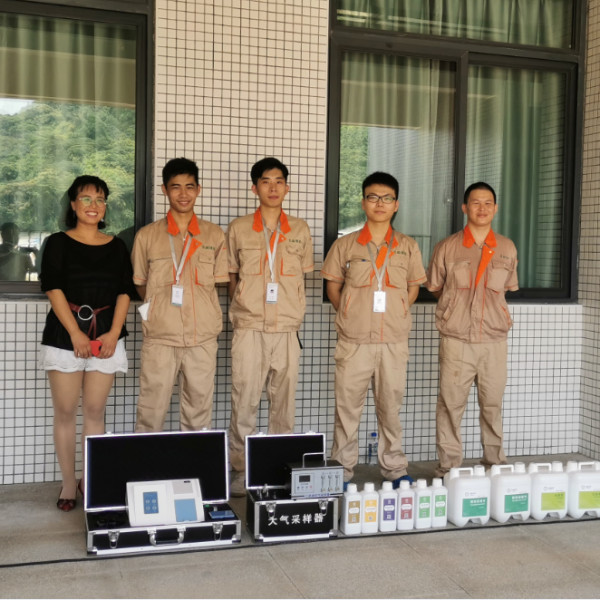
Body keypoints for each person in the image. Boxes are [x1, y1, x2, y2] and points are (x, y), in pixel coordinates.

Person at [322, 172, 426, 488]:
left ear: (396, 204)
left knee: (390, 409)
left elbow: (412, 289)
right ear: (363, 202)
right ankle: (342, 470)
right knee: (347, 409)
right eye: (373, 197)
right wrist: (351, 313)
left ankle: (394, 469)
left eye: (387, 198)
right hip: (354, 342)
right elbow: (333, 287)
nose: (380, 203)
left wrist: (396, 312)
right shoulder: (346, 245)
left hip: (393, 341)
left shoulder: (407, 246)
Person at [39, 175, 134, 511]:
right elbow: (53, 288)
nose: (94, 205)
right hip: (65, 335)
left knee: (94, 412)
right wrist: (76, 333)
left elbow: (125, 291)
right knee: (66, 412)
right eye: (86, 198)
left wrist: (114, 333)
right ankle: (68, 483)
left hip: (106, 336)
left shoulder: (117, 246)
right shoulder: (57, 242)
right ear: (73, 204)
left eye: (100, 199)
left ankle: (88, 481)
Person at [227, 157, 313, 496]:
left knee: (284, 403)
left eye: (279, 181)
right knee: (244, 400)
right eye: (266, 181)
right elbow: (232, 276)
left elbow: (303, 277)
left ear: (287, 188)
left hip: (287, 329)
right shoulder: (238, 228)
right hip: (249, 327)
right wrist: (246, 302)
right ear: (255, 188)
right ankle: (241, 469)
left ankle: (278, 467)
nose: (273, 187)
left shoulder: (300, 230)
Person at [426, 181, 519, 478]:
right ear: (465, 208)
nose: (482, 208)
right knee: (450, 406)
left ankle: (494, 464)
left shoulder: (506, 247)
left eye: (488, 203)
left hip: (494, 340)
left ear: (496, 208)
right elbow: (436, 288)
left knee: (492, 404)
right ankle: (449, 468)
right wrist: (455, 309)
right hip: (457, 340)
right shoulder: (447, 247)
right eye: (476, 203)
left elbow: (506, 288)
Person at [131, 157, 228, 432]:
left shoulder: (214, 235)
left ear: (198, 189)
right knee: (151, 410)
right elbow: (141, 284)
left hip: (202, 338)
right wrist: (159, 309)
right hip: (160, 337)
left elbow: (219, 282)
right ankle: (147, 460)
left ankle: (194, 460)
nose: (183, 194)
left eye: (189, 186)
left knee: (199, 411)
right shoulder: (147, 236)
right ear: (164, 190)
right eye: (175, 187)